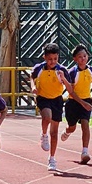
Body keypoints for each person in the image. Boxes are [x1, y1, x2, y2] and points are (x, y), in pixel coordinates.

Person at [30, 43, 72, 171]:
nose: (52, 61)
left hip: (57, 100)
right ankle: (44, 134)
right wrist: (33, 86)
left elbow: (70, 88)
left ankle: (52, 158)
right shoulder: (39, 68)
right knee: (47, 117)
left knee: (54, 133)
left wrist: (63, 79)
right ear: (44, 57)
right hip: (43, 98)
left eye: (55, 59)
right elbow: (32, 76)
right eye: (50, 59)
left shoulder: (62, 70)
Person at [61, 44, 92, 164]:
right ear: (75, 59)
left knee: (85, 124)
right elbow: (71, 91)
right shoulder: (72, 72)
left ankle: (85, 152)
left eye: (85, 56)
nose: (83, 58)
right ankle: (67, 131)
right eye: (80, 57)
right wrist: (82, 103)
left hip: (86, 100)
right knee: (72, 127)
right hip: (73, 102)